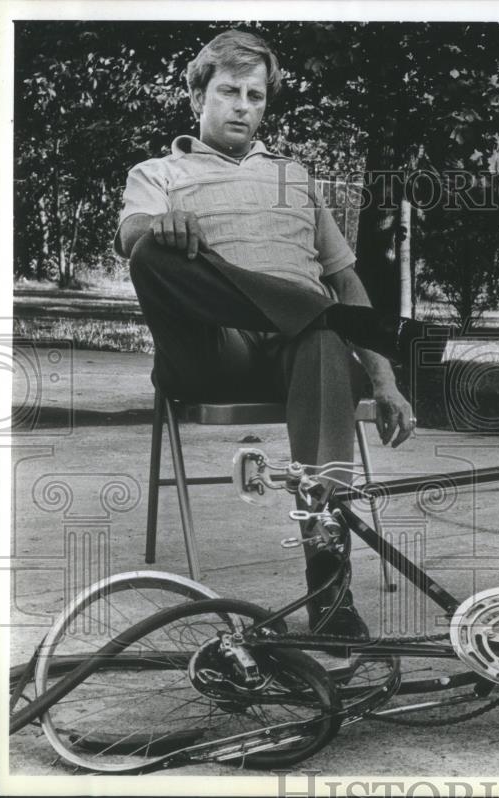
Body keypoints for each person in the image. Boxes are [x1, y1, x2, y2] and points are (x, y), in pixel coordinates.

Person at [115, 29, 421, 641]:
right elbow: (130, 240)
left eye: (256, 96)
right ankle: (305, 312)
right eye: (229, 91)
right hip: (210, 347)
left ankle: (329, 587)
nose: (243, 106)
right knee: (155, 249)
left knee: (324, 334)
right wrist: (160, 221)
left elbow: (345, 278)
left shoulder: (293, 176)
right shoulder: (159, 171)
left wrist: (385, 379)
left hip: (301, 354)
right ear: (198, 96)